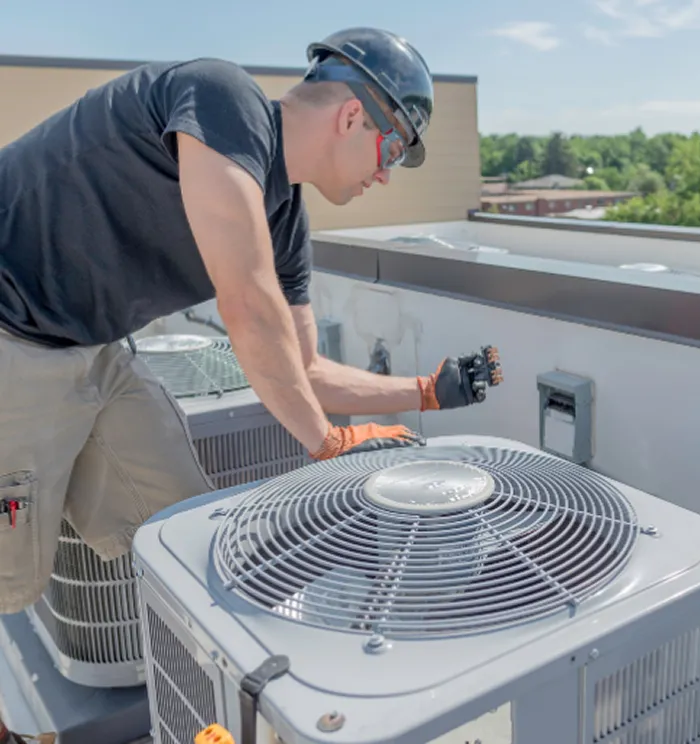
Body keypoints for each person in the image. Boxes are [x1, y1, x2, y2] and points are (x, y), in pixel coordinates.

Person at [0, 27, 498, 744]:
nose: (386, 176)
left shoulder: (286, 216)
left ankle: (218, 713)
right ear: (353, 116)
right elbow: (245, 302)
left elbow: (305, 370)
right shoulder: (221, 96)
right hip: (11, 332)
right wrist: (327, 442)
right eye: (393, 150)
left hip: (94, 345)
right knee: (10, 577)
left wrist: (427, 391)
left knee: (182, 530)